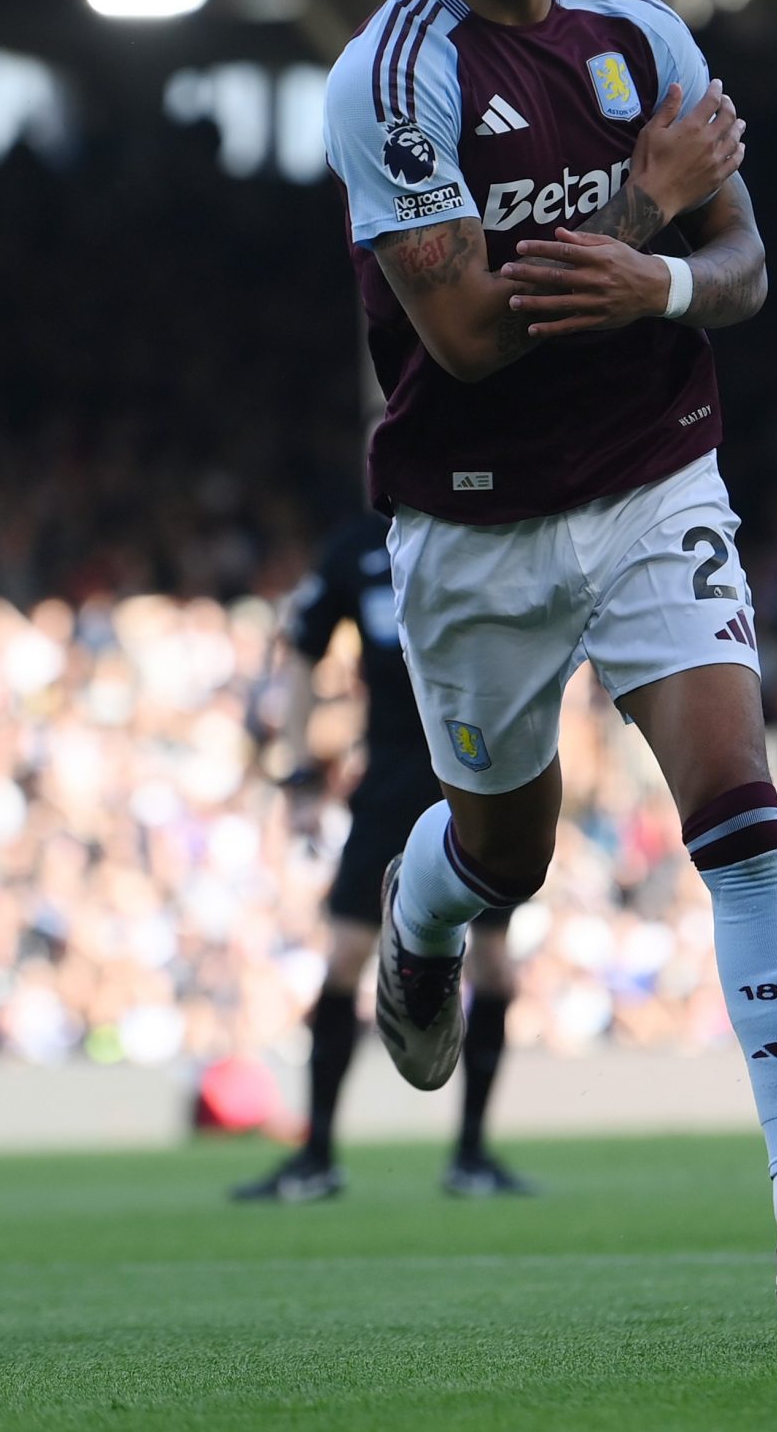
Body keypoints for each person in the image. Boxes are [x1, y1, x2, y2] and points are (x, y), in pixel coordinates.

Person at [324, 0, 777, 1324]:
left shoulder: (641, 31)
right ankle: (422, 910)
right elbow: (460, 341)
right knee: (509, 848)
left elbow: (749, 265)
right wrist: (642, 214)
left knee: (743, 807)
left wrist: (651, 276)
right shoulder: (391, 80)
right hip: (473, 518)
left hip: (656, 474)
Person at [234, 510, 531, 1203]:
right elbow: (304, 646)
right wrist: (301, 771)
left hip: (478, 769)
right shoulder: (355, 547)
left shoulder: (485, 524)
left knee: (494, 965)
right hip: (392, 778)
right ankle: (317, 1155)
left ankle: (471, 1152)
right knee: (342, 956)